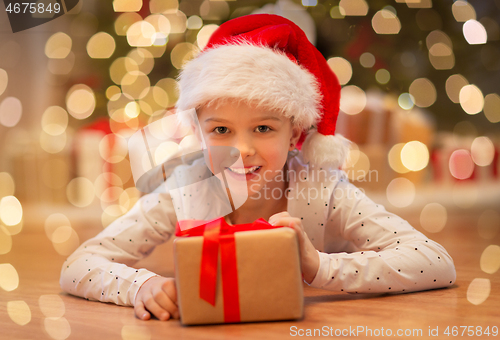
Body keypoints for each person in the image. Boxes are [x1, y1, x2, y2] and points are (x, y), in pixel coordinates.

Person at [60, 14, 456, 322]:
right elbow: (79, 264)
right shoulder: (187, 188)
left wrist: (318, 266)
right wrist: (139, 285)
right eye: (221, 130)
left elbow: (435, 263)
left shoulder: (322, 191)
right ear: (199, 132)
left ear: (295, 133)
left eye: (263, 128)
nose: (241, 150)